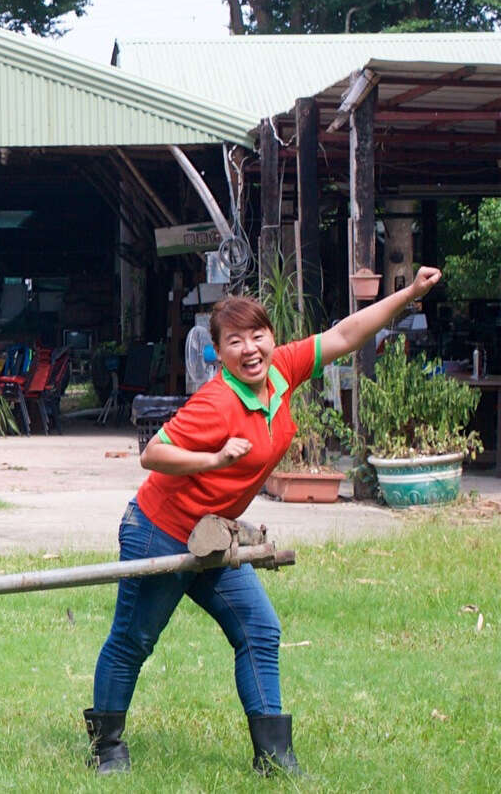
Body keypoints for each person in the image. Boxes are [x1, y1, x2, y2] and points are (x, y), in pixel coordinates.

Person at [85, 266, 443, 777]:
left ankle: (274, 759)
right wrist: (214, 459)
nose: (250, 349)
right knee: (134, 638)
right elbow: (153, 453)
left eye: (258, 335)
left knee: (259, 628)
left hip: (214, 534)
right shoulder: (215, 403)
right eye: (235, 341)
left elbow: (346, 334)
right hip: (159, 531)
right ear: (217, 352)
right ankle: (107, 749)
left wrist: (409, 294)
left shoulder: (283, 371)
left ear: (272, 338)